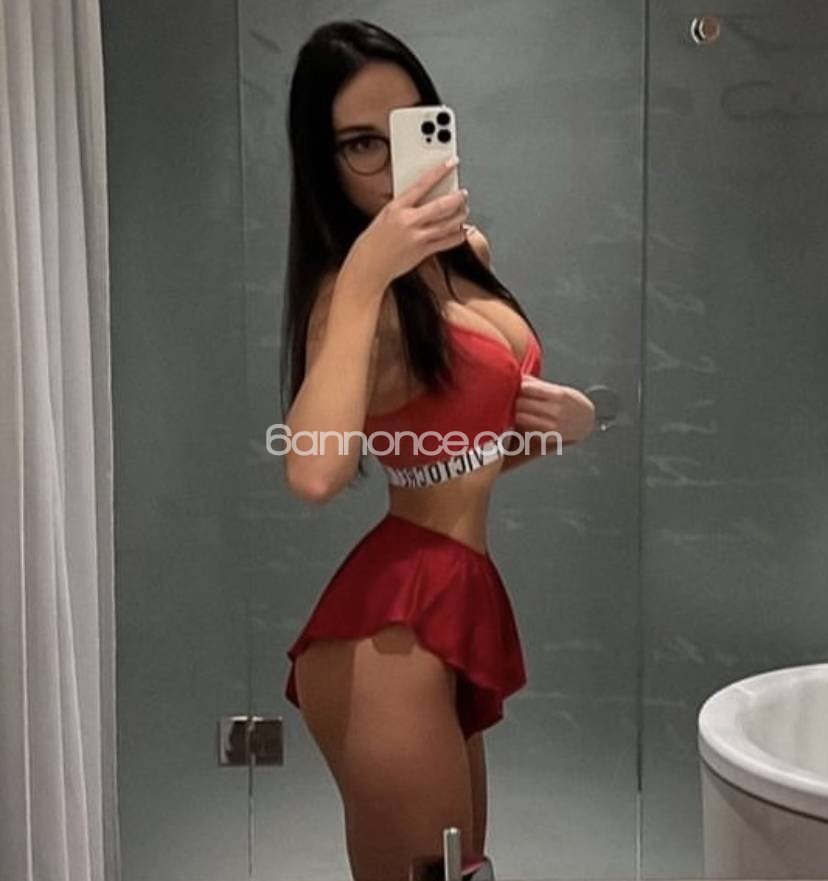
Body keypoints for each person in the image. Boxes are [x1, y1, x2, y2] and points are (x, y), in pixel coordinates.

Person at [279, 19, 596, 881]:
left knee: (465, 869)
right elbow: (313, 469)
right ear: (323, 162)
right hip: (390, 620)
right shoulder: (350, 297)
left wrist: (569, 426)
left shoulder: (466, 256)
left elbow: (458, 454)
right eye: (360, 144)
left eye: (411, 126)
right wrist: (364, 273)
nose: (392, 165)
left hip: (454, 594)